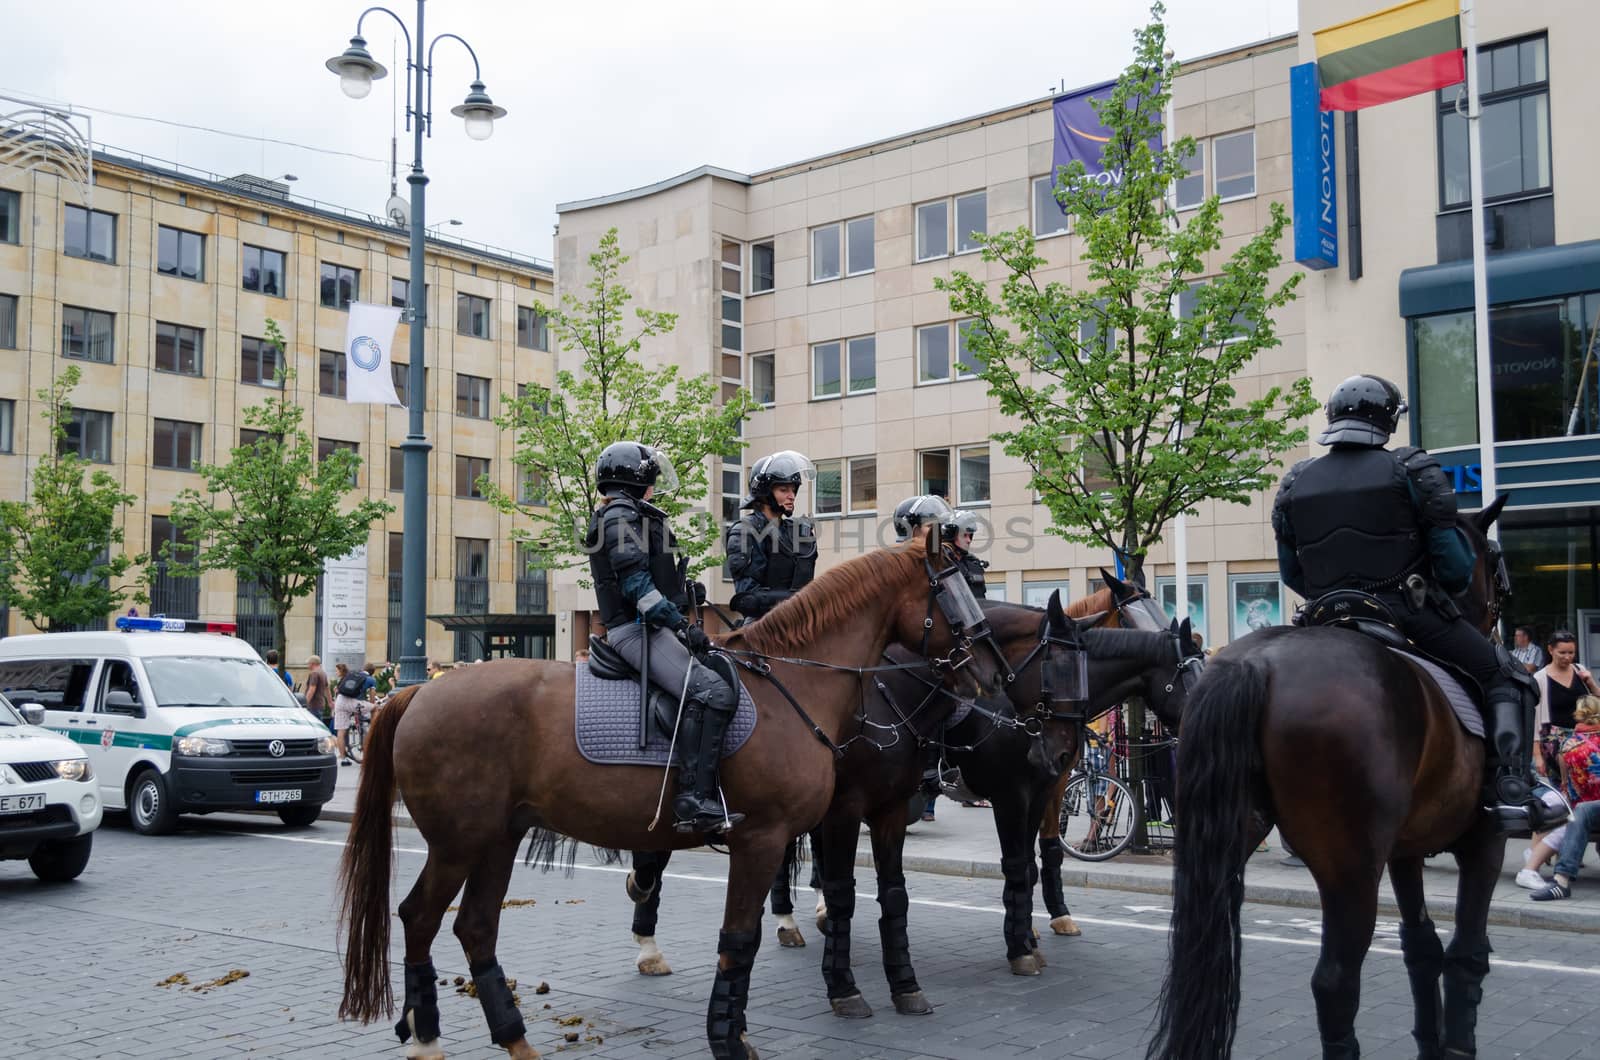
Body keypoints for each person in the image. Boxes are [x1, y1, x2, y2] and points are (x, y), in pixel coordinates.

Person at [1271, 374, 1564, 834]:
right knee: (1508, 677)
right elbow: (1452, 569)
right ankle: (1511, 787)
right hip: (1402, 610)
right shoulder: (1410, 470)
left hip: (1323, 618)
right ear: (1387, 420)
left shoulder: (1295, 480)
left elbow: (1292, 574)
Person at [586, 441, 741, 834]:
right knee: (712, 692)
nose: (655, 484)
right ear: (634, 480)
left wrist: (683, 595)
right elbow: (637, 587)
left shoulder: (630, 514)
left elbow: (649, 577)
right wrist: (680, 624)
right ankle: (692, 799)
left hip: (649, 625)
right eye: (650, 477)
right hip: (635, 631)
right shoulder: (620, 516)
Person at [892, 494, 955, 821]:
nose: (937, 533)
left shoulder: (938, 561)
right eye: (931, 527)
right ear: (911, 529)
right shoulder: (898, 562)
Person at [725, 451, 818, 624]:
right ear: (764, 493)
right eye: (784, 490)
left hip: (802, 622)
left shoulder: (799, 531)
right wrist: (798, 600)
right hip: (763, 626)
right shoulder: (745, 531)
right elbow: (748, 597)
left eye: (793, 489)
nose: (791, 496)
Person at [1529, 695, 1600, 901]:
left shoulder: (1568, 745)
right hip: (1590, 810)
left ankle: (1559, 879)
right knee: (1581, 812)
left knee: (1579, 810)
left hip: (1582, 806)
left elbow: (1566, 786)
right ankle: (1561, 881)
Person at [1533, 631, 1599, 778]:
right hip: (1555, 738)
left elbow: (1597, 701)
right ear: (1551, 650)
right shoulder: (1539, 679)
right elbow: (1534, 719)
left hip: (1585, 733)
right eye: (1562, 652)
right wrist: (1537, 756)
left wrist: (1591, 683)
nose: (1567, 657)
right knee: (1572, 767)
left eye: (1571, 652)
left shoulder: (1579, 670)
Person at [939, 508, 988, 598]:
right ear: (950, 535)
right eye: (964, 535)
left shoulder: (973, 564)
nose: (969, 540)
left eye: (970, 536)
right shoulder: (939, 564)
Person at [332, 662, 369, 765]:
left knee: (341, 731)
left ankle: (343, 756)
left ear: (340, 670)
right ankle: (345, 751)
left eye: (337, 670)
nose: (336, 672)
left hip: (343, 704)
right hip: (352, 703)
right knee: (345, 729)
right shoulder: (348, 678)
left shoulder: (342, 680)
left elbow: (339, 694)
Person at [302, 654, 333, 727]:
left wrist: (305, 703)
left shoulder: (314, 673)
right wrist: (330, 702)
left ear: (312, 664)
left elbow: (312, 689)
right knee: (319, 727)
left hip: (313, 706)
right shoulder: (323, 673)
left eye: (308, 664)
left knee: (313, 727)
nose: (308, 666)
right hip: (320, 705)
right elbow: (327, 689)